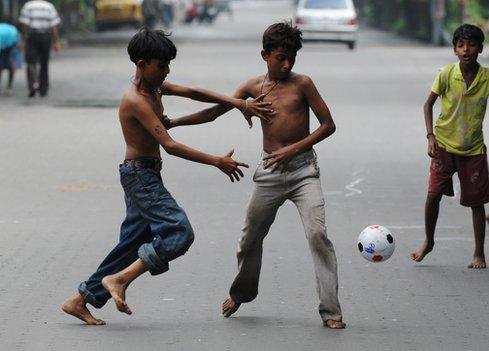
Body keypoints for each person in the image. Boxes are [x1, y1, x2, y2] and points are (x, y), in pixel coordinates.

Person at [60, 28, 272, 325]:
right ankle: (119, 280)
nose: (166, 71)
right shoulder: (136, 99)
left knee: (131, 245)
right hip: (140, 177)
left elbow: (195, 93)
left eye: (168, 65)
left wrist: (239, 103)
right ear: (142, 63)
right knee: (180, 232)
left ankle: (80, 299)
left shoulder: (154, 88)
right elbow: (169, 146)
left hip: (144, 174)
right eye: (161, 66)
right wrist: (216, 161)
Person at [167, 22, 346, 329]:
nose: (287, 63)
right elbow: (213, 111)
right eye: (280, 57)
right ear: (265, 55)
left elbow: (328, 125)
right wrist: (174, 123)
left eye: (292, 57)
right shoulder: (252, 87)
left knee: (318, 235)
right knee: (249, 238)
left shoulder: (303, 84)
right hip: (269, 174)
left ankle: (331, 311)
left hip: (304, 171)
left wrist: (293, 150)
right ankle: (242, 293)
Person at [410, 24, 489, 269]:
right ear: (455, 50)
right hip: (444, 145)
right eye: (460, 45)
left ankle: (479, 253)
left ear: (480, 48)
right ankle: (429, 241)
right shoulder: (447, 74)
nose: (466, 49)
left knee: (476, 202)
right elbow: (427, 105)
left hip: (473, 150)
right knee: (433, 195)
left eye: (471, 45)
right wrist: (430, 137)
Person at [18, 0, 61, 97]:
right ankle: (43, 89)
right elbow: (54, 26)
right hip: (46, 36)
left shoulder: (28, 6)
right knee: (44, 63)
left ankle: (33, 84)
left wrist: (23, 40)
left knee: (30, 61)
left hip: (33, 36)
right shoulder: (49, 6)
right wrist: (56, 42)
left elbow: (25, 24)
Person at [0, 18, 22, 96]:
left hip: (4, 45)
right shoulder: (13, 28)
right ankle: (9, 87)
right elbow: (18, 44)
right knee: (11, 66)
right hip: (11, 44)